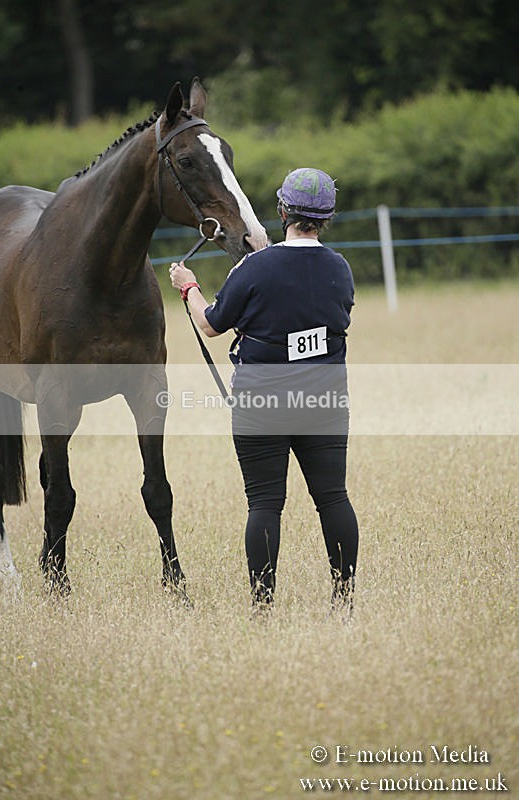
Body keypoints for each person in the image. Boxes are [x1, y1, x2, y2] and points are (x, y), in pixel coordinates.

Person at [169, 167, 358, 618]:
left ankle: (262, 607)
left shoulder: (254, 268)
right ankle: (344, 600)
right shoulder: (339, 267)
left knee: (265, 503)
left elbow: (211, 325)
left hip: (261, 402)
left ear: (282, 211)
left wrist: (189, 287)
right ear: (326, 218)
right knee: (333, 497)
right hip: (325, 399)